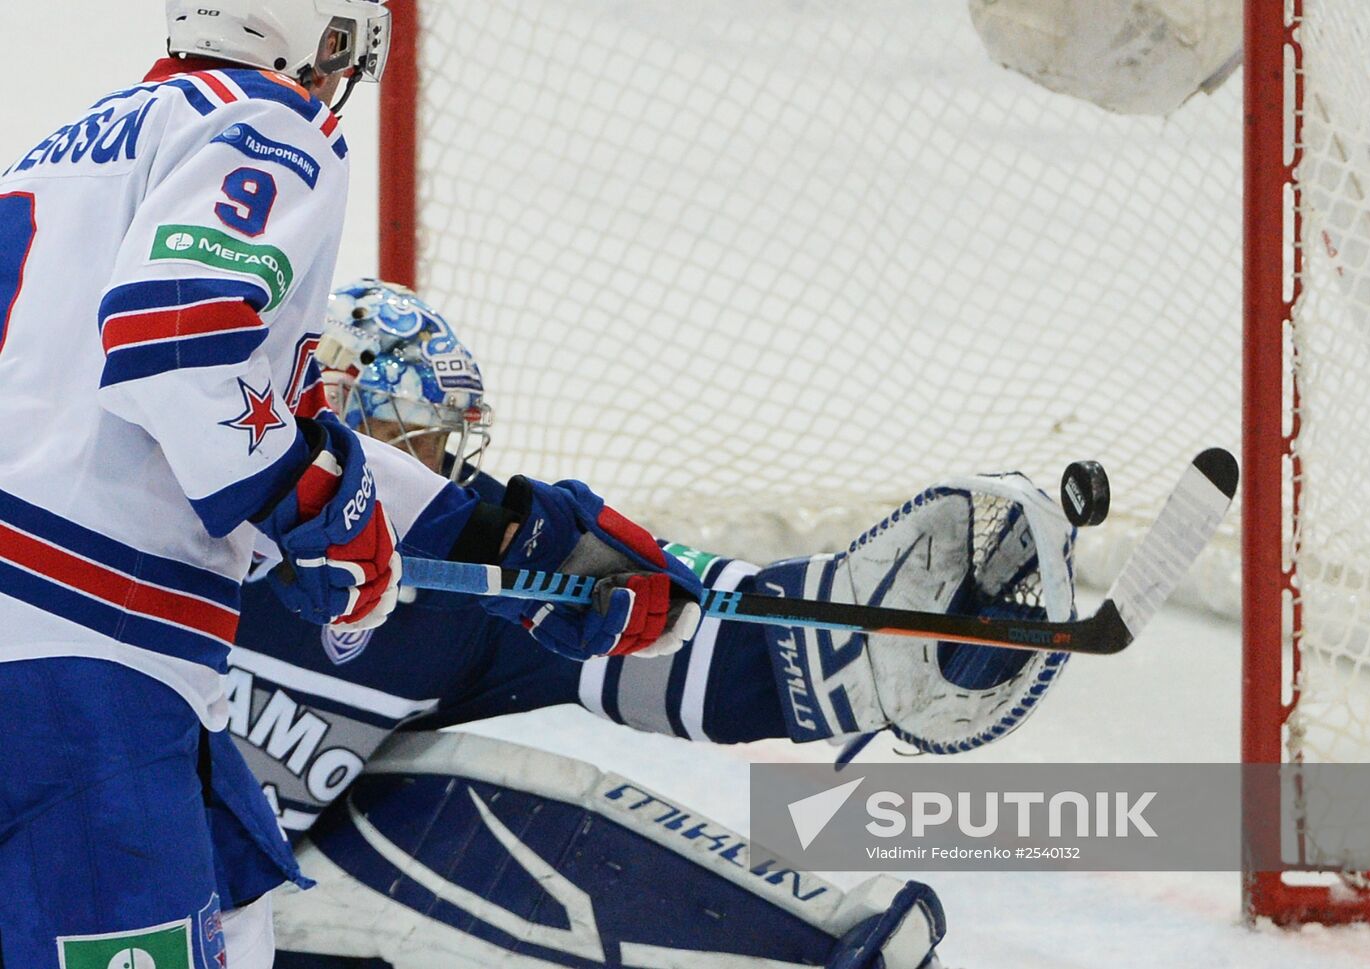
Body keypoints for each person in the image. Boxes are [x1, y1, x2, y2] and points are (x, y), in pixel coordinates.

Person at [0, 6, 697, 967]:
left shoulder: (61, 148)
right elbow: (173, 345)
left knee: (237, 913)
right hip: (79, 666)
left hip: (81, 656)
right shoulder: (262, 116)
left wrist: (473, 533)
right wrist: (314, 506)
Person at [229, 280, 1080, 968]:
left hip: (262, 920)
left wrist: (881, 641)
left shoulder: (462, 594)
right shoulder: (194, 537)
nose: (431, 480)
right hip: (115, 898)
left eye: (441, 449)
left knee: (455, 806)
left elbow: (680, 646)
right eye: (401, 444)